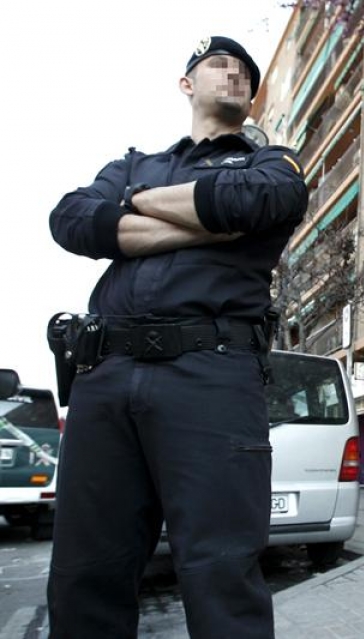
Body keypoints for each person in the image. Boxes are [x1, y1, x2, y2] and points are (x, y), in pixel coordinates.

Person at [45, 36, 307, 638]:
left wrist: (128, 212)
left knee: (222, 575)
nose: (236, 74)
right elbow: (72, 218)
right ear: (187, 84)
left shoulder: (272, 161)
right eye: (219, 65)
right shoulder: (137, 165)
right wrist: (202, 221)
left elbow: (259, 198)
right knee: (86, 573)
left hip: (211, 375)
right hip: (104, 376)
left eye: (245, 71)